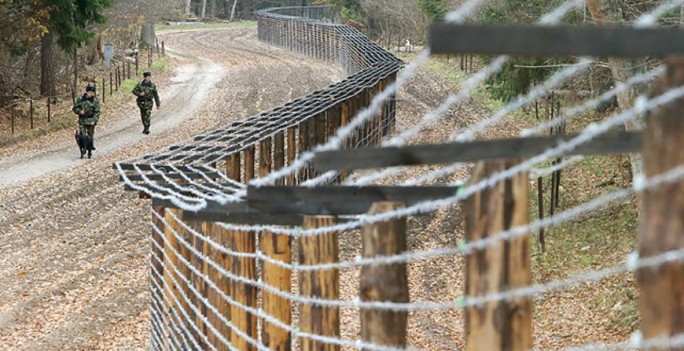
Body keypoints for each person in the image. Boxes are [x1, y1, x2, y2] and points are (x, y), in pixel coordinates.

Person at [72, 84, 100, 157]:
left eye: (92, 93)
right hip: (82, 120)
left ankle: (90, 149)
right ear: (87, 92)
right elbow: (75, 108)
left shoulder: (95, 101)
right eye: (90, 92)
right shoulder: (80, 99)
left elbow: (97, 112)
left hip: (91, 120)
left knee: (90, 136)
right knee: (82, 135)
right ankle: (83, 149)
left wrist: (94, 120)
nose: (91, 94)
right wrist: (79, 111)